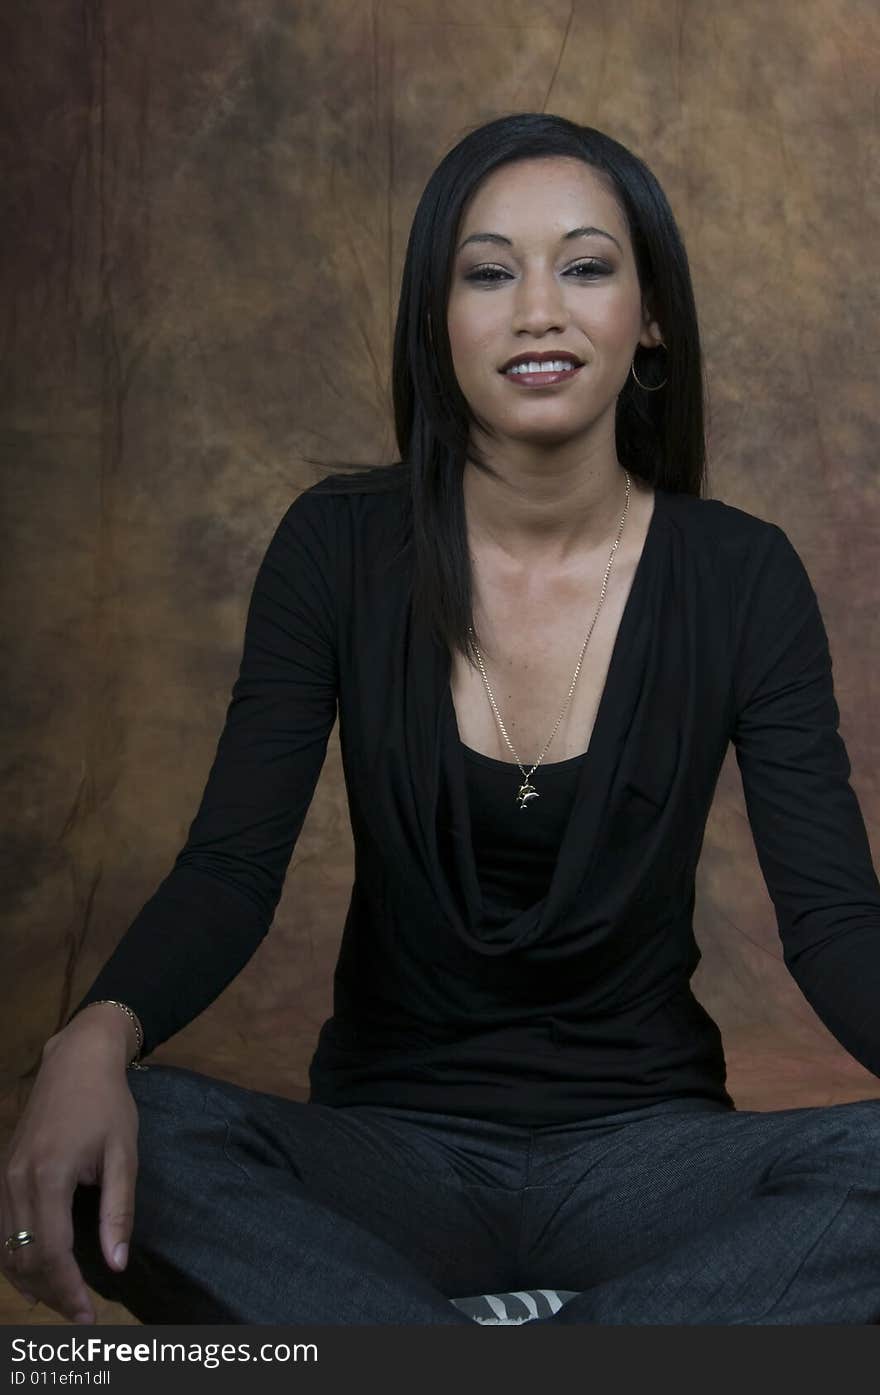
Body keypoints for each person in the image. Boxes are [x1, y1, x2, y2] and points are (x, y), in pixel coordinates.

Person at [3, 112, 880, 1328]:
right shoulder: (338, 547)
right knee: (135, 1134)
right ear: (436, 320)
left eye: (584, 265)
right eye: (486, 271)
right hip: (385, 1160)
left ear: (652, 315)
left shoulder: (740, 575)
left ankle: (415, 1347)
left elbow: (835, 922)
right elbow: (231, 868)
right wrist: (89, 1041)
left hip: (649, 1163)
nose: (537, 310)